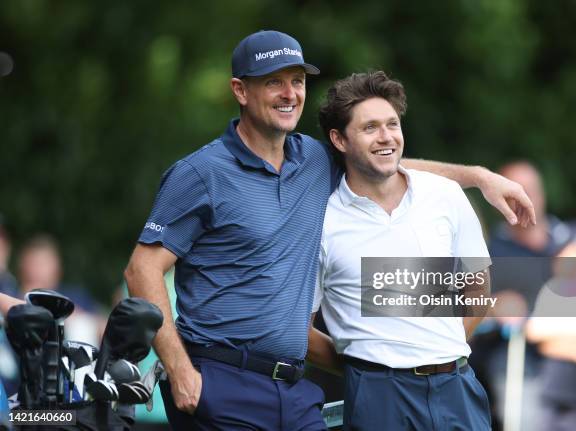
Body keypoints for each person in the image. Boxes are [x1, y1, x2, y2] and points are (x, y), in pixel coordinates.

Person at [124, 30, 534, 430]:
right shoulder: (201, 173)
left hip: (292, 388)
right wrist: (179, 369)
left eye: (297, 82)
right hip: (221, 376)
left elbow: (383, 161)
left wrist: (477, 177)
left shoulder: (313, 159)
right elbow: (141, 271)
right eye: (274, 83)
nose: (290, 93)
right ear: (240, 90)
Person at [307, 71, 492, 430]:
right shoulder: (322, 220)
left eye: (392, 124)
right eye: (370, 127)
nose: (386, 136)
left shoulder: (445, 195)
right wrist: (367, 368)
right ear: (339, 139)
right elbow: (299, 332)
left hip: (457, 386)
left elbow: (478, 291)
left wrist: (436, 352)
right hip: (379, 397)